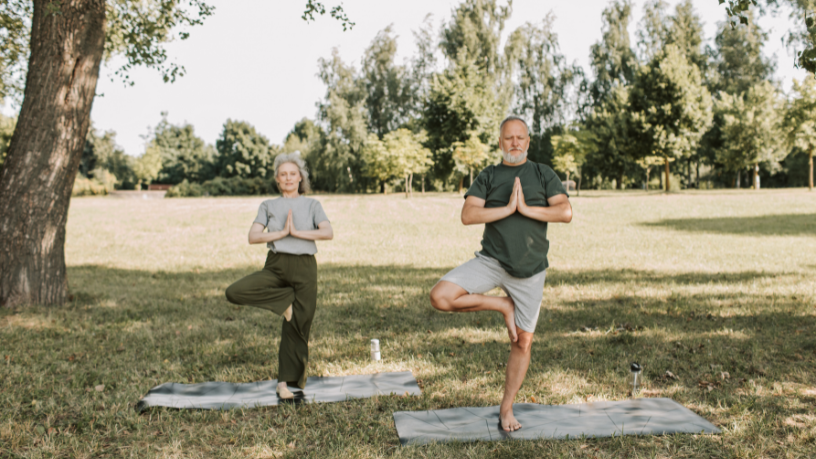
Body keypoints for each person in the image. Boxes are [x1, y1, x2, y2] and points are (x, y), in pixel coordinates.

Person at [429, 116, 572, 432]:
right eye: (509, 138)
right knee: (440, 295)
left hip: (530, 272)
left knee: (522, 343)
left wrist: (526, 209)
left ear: (528, 142)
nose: (515, 143)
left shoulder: (542, 173)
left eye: (520, 137)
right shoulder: (489, 175)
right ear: (500, 142)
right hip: (492, 261)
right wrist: (506, 209)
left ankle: (506, 409)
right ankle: (502, 305)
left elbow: (564, 212)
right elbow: (469, 214)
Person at [225, 152, 333, 399]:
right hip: (276, 265)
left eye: (292, 174)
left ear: (300, 177)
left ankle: (284, 384)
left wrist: (297, 232)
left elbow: (327, 232)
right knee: (235, 291)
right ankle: (283, 302)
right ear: (277, 179)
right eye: (283, 174)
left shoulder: (312, 205)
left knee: (298, 325)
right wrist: (282, 233)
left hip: (305, 267)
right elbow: (253, 237)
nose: (288, 178)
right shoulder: (268, 205)